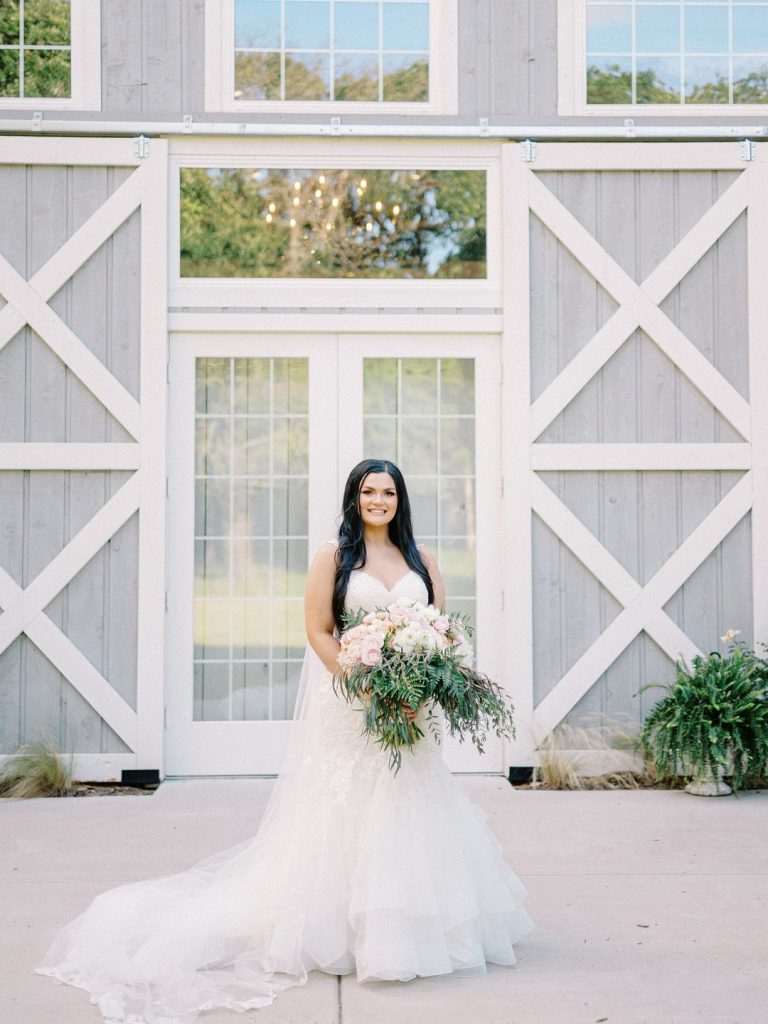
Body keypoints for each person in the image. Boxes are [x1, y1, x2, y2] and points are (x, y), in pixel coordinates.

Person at [33, 458, 534, 1024]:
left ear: (400, 500)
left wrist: (423, 686)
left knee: (411, 802)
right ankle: (343, 930)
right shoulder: (335, 557)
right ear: (354, 498)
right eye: (368, 491)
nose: (378, 501)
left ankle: (408, 928)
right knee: (350, 808)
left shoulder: (423, 559)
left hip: (412, 711)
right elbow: (319, 629)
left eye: (388, 492)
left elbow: (442, 631)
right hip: (355, 704)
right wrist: (365, 687)